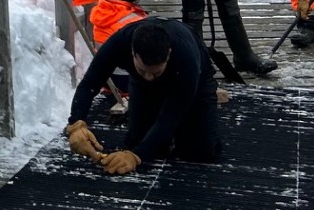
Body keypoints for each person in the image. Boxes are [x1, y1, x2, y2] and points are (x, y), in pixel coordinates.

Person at [65, 16, 222, 174]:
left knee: (201, 151)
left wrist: (136, 156)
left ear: (168, 55)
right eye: (142, 70)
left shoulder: (185, 56)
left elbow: (171, 114)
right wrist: (76, 124)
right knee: (139, 142)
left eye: (155, 72)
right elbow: (89, 83)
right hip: (141, 87)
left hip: (194, 80)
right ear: (133, 52)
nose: (148, 76)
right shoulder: (119, 42)